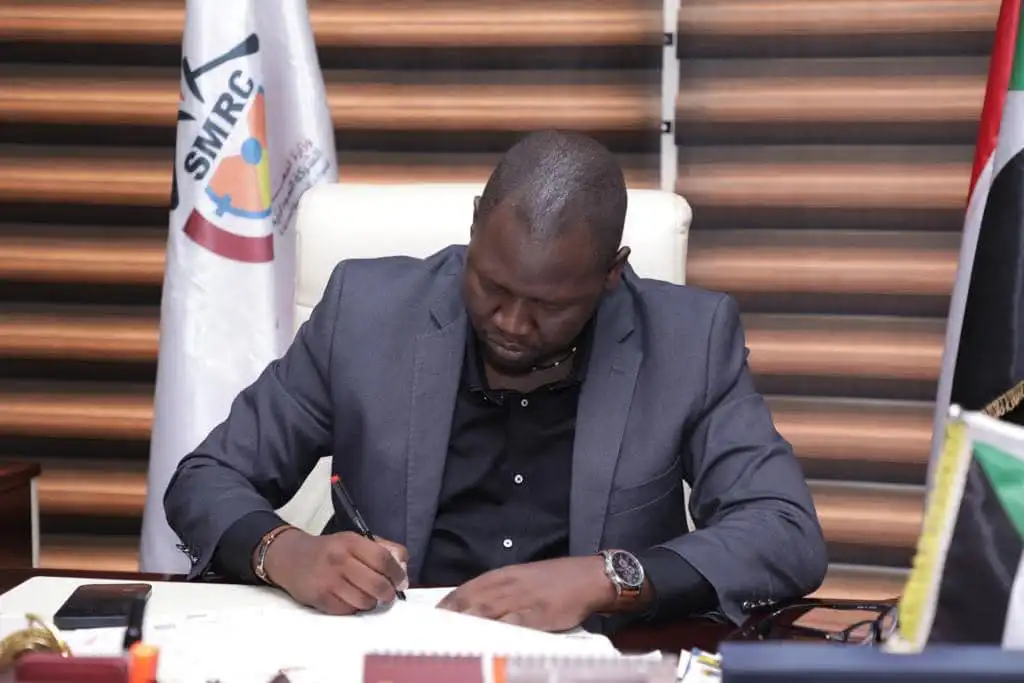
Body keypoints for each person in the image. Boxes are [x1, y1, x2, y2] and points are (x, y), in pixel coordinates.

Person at [164, 129, 827, 633]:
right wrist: (284, 552)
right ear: (477, 224)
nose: (511, 322)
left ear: (611, 273)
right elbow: (206, 478)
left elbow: (783, 530)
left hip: (587, 659)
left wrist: (610, 577)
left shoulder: (689, 341)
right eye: (492, 286)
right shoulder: (365, 312)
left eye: (549, 306)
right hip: (392, 649)